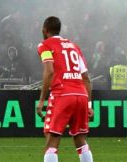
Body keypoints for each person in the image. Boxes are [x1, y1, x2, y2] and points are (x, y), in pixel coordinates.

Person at [35, 16, 94, 162]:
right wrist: (89, 105)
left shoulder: (45, 45)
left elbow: (49, 71)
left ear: (45, 30)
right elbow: (86, 77)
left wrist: (42, 100)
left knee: (51, 142)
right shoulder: (74, 46)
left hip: (62, 94)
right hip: (81, 94)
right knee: (80, 140)